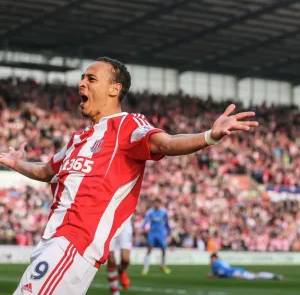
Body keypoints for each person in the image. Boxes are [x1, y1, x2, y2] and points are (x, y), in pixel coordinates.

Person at [0, 56, 259, 295]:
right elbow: (46, 171)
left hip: (74, 243)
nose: (81, 83)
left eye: (91, 79)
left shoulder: (127, 124)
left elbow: (166, 142)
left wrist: (208, 137)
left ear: (114, 89)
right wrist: (16, 162)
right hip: (51, 242)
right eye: (82, 78)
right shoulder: (77, 140)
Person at [141, 198, 171, 275]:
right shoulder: (150, 212)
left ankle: (163, 265)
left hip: (161, 233)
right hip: (152, 233)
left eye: (158, 203)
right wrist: (144, 228)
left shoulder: (164, 212)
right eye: (155, 203)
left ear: (160, 204)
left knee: (164, 249)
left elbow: (167, 223)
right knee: (149, 249)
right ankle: (145, 268)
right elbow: (146, 221)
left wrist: (168, 232)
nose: (156, 205)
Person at [208, 253, 284, 280]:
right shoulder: (221, 261)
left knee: (256, 277)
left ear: (214, 258)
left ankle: (274, 276)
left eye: (211, 259)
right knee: (255, 275)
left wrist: (212, 276)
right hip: (236, 270)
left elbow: (222, 272)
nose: (210, 260)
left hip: (235, 272)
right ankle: (273, 276)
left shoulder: (216, 263)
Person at [107, 219, 132, 295]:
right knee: (111, 258)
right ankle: (114, 291)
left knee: (125, 259)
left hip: (125, 221)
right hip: (110, 221)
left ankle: (121, 271)